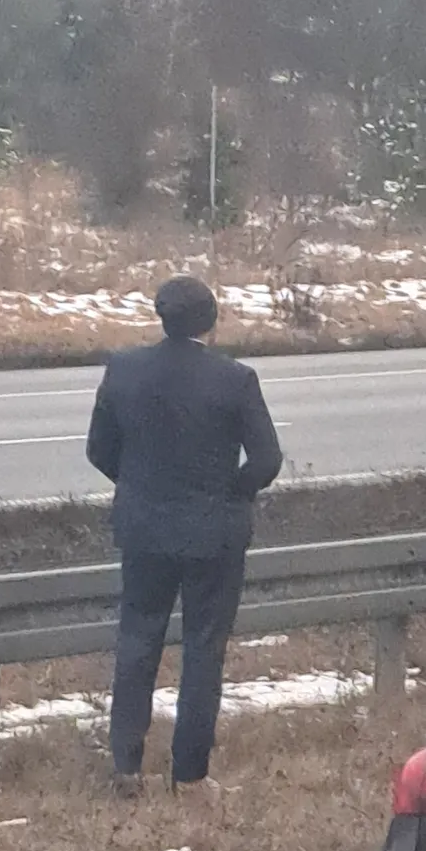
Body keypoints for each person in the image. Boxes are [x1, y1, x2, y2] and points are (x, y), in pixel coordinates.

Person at [86, 275, 284, 797]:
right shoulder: (235, 380)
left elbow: (99, 451)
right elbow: (266, 459)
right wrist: (231, 493)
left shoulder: (123, 370)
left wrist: (139, 487)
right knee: (203, 650)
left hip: (144, 527)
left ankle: (127, 768)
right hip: (212, 535)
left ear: (162, 317)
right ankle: (190, 776)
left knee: (136, 641)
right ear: (211, 320)